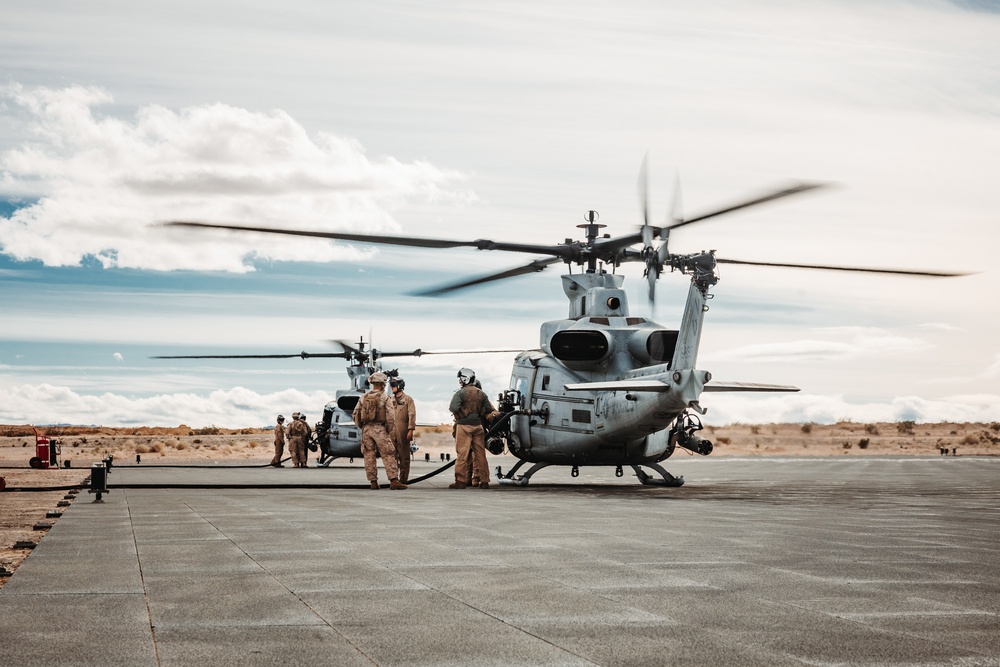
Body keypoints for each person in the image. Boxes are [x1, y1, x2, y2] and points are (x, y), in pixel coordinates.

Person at [352, 372, 407, 490]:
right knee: (388, 454)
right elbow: (391, 416)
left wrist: (363, 427)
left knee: (369, 455)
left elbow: (355, 414)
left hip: (366, 430)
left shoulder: (363, 397)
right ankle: (393, 480)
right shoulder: (384, 397)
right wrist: (388, 429)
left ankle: (373, 482)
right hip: (380, 429)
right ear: (382, 384)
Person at [449, 368, 498, 489]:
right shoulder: (481, 394)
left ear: (465, 378)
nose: (460, 381)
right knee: (480, 455)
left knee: (462, 454)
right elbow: (488, 410)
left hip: (464, 427)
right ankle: (484, 481)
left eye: (461, 378)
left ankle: (460, 481)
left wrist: (464, 413)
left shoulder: (460, 393)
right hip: (478, 427)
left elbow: (453, 407)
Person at [389, 376, 417, 484]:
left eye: (394, 385)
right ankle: (394, 478)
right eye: (391, 385)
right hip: (391, 430)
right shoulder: (390, 400)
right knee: (392, 455)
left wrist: (410, 430)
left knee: (404, 455)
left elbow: (412, 415)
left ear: (400, 386)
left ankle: (404, 479)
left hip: (403, 429)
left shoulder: (408, 400)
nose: (392, 387)